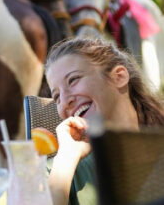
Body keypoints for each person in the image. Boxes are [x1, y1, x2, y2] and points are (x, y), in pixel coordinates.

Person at [44, 37, 164, 205]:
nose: (64, 102)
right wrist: (66, 160)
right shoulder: (59, 172)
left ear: (119, 77)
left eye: (73, 80)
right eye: (56, 96)